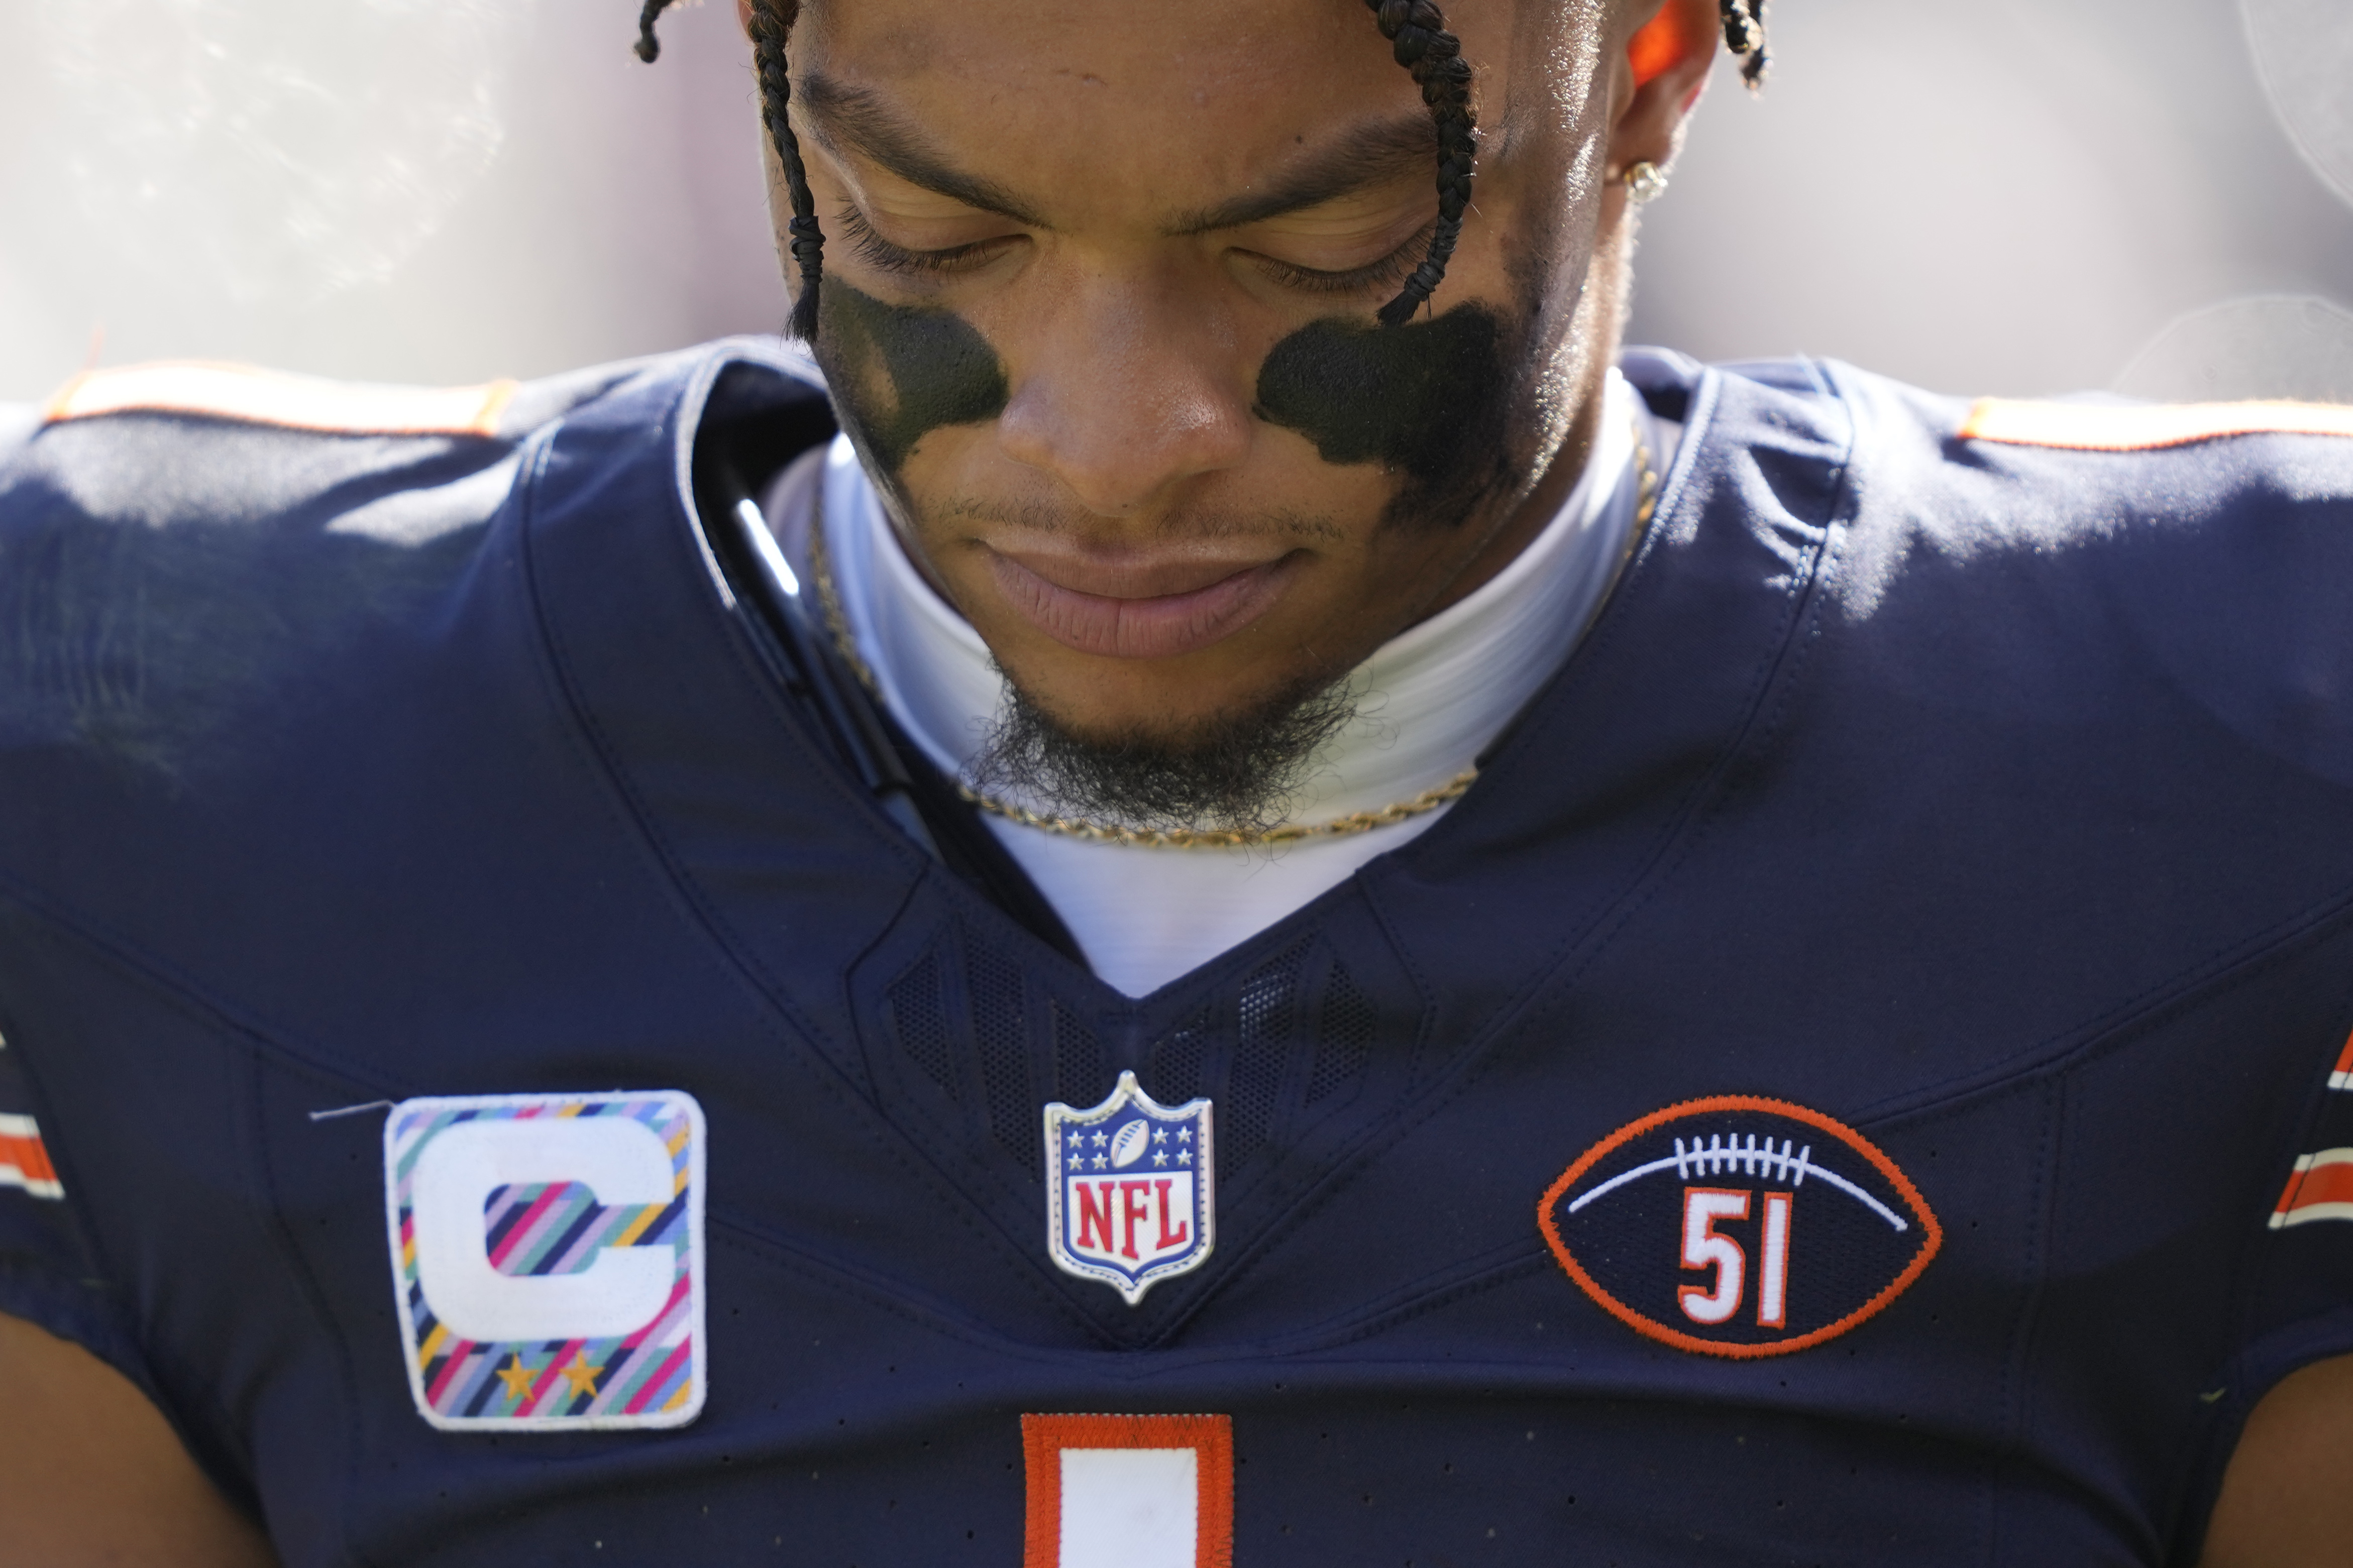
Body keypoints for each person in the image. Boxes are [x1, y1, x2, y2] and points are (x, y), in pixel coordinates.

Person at [1, 0, 2349, 1561]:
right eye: (937, 224)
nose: (1107, 442)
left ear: (1645, 60)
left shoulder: (2234, 745)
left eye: (1312, 241)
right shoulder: (153, 743)